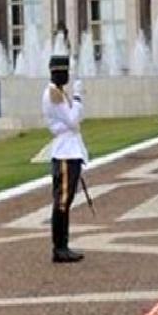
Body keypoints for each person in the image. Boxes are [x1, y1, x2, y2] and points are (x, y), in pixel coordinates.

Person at [42, 55, 89, 263]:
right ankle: (59, 248)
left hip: (70, 149)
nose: (66, 76)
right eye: (62, 72)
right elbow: (72, 120)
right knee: (62, 202)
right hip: (65, 152)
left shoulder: (59, 92)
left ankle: (63, 245)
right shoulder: (54, 94)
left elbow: (75, 120)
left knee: (66, 201)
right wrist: (77, 97)